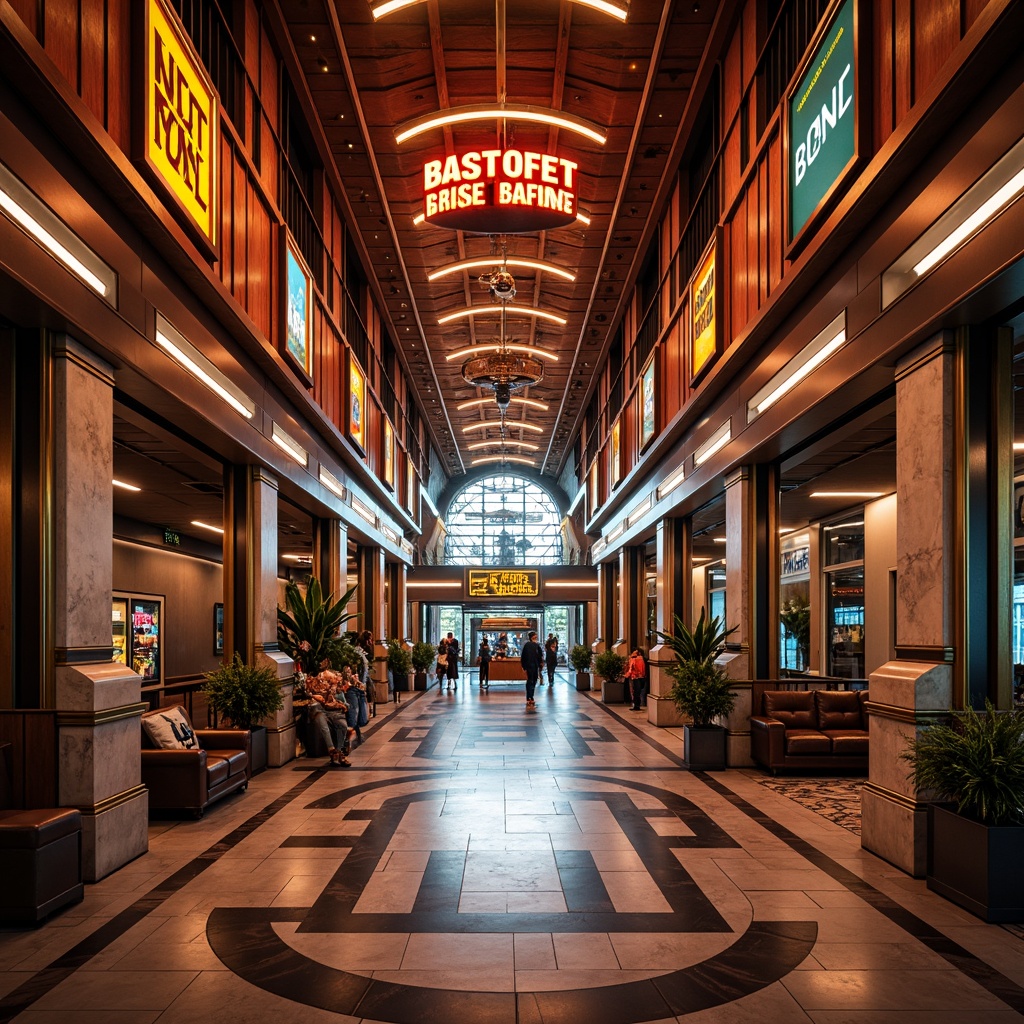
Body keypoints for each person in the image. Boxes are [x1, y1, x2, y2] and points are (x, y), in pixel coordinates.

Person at [305, 668, 355, 766]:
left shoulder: (335, 686)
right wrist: (313, 696)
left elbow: (338, 699)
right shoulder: (316, 682)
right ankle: (332, 751)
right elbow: (308, 693)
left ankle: (339, 751)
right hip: (320, 710)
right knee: (323, 724)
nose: (337, 679)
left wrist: (342, 704)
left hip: (334, 710)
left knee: (343, 726)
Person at [520, 630, 544, 710]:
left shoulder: (536, 646)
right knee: (531, 680)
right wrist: (524, 666)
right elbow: (524, 657)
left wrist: (540, 664)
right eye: (534, 636)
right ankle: (530, 697)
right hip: (531, 666)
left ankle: (530, 697)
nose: (535, 638)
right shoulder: (529, 645)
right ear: (531, 637)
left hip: (534, 666)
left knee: (533, 680)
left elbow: (540, 656)